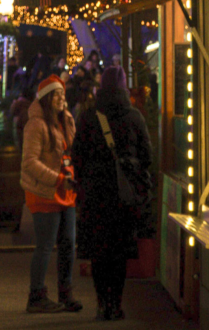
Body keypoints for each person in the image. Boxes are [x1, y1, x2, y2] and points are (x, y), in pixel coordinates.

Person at [72, 66, 153, 321]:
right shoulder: (135, 117)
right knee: (118, 253)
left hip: (95, 195)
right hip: (123, 196)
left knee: (99, 252)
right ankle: (115, 305)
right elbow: (148, 156)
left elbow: (77, 156)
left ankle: (101, 302)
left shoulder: (87, 117)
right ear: (124, 88)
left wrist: (87, 180)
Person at [20, 73, 81, 314]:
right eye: (56, 94)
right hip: (44, 192)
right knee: (45, 246)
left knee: (69, 244)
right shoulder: (36, 124)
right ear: (46, 98)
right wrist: (57, 179)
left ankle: (66, 294)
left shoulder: (67, 119)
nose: (61, 98)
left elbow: (72, 152)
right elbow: (29, 162)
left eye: (62, 94)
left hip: (67, 191)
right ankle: (36, 296)